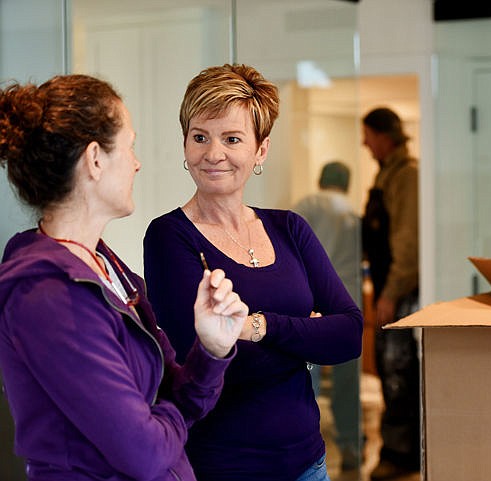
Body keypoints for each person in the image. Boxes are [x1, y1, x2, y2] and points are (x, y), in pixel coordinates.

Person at [0, 74, 249, 481]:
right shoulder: (49, 295)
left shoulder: (105, 266)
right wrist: (160, 412)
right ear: (95, 159)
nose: (136, 162)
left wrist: (211, 348)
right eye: (129, 146)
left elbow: (177, 398)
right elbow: (145, 453)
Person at [143, 64, 363, 481]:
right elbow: (203, 367)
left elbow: (349, 334)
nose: (213, 154)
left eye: (232, 139)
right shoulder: (169, 237)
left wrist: (257, 327)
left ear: (261, 151)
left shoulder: (289, 228)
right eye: (200, 137)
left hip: (310, 463)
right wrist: (306, 339)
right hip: (224, 466)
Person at [361, 107, 420, 480]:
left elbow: (407, 243)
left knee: (399, 373)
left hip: (401, 293)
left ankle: (401, 456)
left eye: (367, 135)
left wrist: (390, 294)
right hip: (388, 288)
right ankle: (398, 451)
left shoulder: (405, 176)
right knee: (388, 371)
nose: (364, 143)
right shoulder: (386, 174)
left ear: (384, 136)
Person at [293, 160, 362, 472]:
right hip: (348, 299)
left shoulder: (305, 206)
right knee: (348, 375)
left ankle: (305, 438)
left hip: (310, 298)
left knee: (309, 374)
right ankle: (350, 442)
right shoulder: (354, 212)